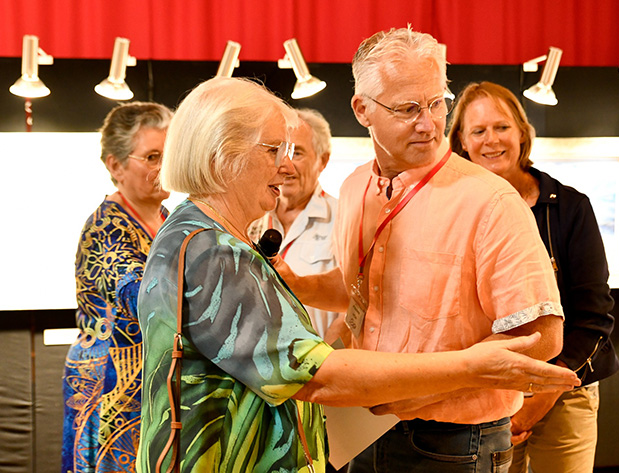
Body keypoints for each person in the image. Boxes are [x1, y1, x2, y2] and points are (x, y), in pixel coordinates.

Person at [135, 76, 580, 473]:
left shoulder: (207, 235)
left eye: (434, 105)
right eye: (273, 150)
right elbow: (316, 374)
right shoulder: (210, 249)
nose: (286, 167)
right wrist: (473, 366)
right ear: (221, 153)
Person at [273, 27, 567, 473]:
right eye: (409, 109)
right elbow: (356, 289)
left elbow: (542, 337)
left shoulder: (491, 202)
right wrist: (299, 286)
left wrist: (430, 391)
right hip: (359, 427)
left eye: (436, 103)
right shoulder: (355, 187)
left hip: (454, 441)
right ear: (362, 110)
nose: (429, 123)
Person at [449, 81, 619, 473]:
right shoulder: (454, 213)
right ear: (461, 141)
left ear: (522, 132)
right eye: (478, 130)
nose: (491, 140)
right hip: (484, 393)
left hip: (564, 388)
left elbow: (594, 317)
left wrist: (540, 396)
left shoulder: (572, 208)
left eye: (502, 127)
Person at [61, 101, 172, 473]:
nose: (163, 167)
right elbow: (137, 292)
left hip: (155, 380)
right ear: (115, 165)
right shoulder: (107, 226)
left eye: (168, 155)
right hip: (111, 380)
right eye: (152, 156)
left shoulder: (167, 220)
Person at [249, 108, 341, 339]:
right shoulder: (250, 218)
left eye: (297, 153)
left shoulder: (343, 217)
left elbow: (355, 302)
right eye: (279, 153)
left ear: (323, 160)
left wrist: (324, 363)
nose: (286, 166)